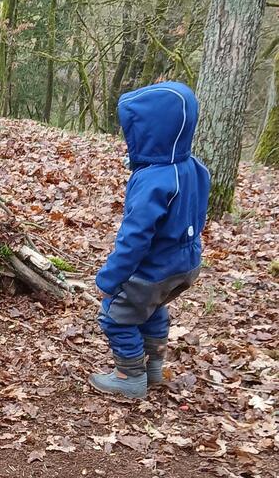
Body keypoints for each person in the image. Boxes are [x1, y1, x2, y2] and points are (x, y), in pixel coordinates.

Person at [90, 81, 210, 399]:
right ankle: (154, 366)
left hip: (155, 267)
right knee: (152, 307)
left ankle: (129, 376)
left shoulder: (152, 180)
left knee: (115, 314)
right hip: (186, 263)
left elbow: (134, 239)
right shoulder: (195, 168)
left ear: (151, 131)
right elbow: (198, 216)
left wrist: (109, 278)